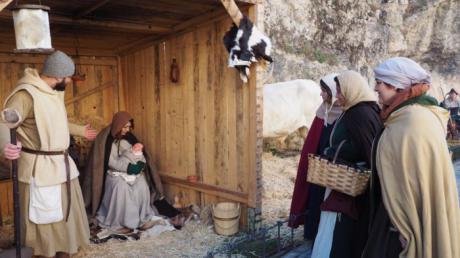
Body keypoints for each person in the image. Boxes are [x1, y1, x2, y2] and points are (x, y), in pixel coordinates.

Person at [1, 50, 97, 258]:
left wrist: (81, 131)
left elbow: (56, 123)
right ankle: (45, 254)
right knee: (45, 216)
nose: (70, 80)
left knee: (64, 214)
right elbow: (4, 121)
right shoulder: (25, 94)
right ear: (58, 75)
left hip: (61, 166)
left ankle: (63, 252)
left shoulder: (52, 93)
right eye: (69, 76)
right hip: (40, 169)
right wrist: (4, 146)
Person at [362, 57, 460, 258]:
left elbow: (415, 183)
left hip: (400, 226)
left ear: (396, 85)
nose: (376, 88)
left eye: (379, 82)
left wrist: (407, 227)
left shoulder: (414, 120)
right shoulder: (403, 116)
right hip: (391, 216)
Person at [310, 70, 383, 258]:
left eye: (341, 91)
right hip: (341, 181)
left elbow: (367, 150)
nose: (338, 96)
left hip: (352, 187)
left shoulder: (361, 113)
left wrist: (331, 152)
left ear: (352, 90)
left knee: (343, 235)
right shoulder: (351, 110)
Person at [82, 111, 180, 234]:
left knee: (142, 184)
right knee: (120, 186)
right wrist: (128, 168)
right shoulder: (104, 139)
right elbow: (110, 162)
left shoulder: (128, 138)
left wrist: (140, 164)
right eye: (125, 127)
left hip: (130, 173)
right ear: (118, 126)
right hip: (111, 174)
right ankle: (122, 222)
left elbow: (140, 154)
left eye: (129, 127)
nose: (127, 130)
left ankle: (143, 219)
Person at [288, 73, 342, 244]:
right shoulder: (322, 110)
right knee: (314, 200)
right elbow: (313, 141)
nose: (321, 94)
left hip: (335, 172)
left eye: (324, 91)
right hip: (318, 170)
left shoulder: (344, 114)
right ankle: (311, 237)